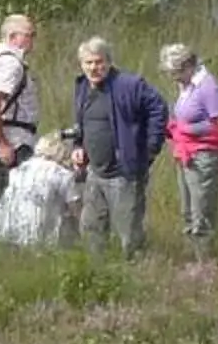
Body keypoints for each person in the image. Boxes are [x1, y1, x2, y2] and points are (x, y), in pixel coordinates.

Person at [70, 37, 171, 256]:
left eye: (99, 62)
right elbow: (82, 123)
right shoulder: (81, 87)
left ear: (109, 62)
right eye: (88, 63)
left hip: (124, 174)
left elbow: (159, 109)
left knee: (129, 234)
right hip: (94, 172)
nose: (94, 68)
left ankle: (135, 276)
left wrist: (150, 147)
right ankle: (97, 276)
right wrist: (78, 145)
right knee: (91, 229)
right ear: (81, 64)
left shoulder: (129, 85)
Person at [160, 42, 218, 251]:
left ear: (188, 66)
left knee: (202, 211)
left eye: (176, 72)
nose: (173, 77)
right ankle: (193, 256)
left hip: (205, 155)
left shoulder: (208, 87)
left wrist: (186, 130)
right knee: (188, 210)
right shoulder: (186, 86)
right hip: (186, 153)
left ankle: (205, 261)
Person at [0, 14, 40, 206]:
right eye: (30, 34)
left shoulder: (1, 61)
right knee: (15, 208)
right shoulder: (10, 64)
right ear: (13, 37)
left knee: (7, 207)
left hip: (12, 142)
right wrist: (3, 143)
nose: (33, 40)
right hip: (14, 145)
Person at [0, 133, 83, 249]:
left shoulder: (19, 169)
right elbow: (77, 209)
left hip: (6, 228)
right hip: (39, 234)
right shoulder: (61, 174)